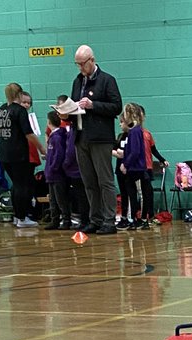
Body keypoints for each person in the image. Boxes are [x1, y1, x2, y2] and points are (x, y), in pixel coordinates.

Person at [70, 44, 122, 235]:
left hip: (100, 138)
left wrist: (94, 105)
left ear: (92, 60)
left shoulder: (107, 80)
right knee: (89, 181)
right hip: (80, 136)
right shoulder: (77, 82)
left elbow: (117, 106)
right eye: (77, 64)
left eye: (82, 64)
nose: (80, 68)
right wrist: (67, 112)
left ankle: (109, 220)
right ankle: (95, 219)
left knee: (105, 181)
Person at [0, 81, 38, 227]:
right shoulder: (19, 111)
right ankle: (22, 217)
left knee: (16, 185)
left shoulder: (1, 110)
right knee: (23, 185)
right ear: (19, 94)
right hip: (18, 153)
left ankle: (17, 216)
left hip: (3, 152)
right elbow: (29, 134)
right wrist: (42, 149)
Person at [116, 103, 148, 229]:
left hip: (136, 168)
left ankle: (137, 219)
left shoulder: (135, 131)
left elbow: (135, 151)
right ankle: (134, 218)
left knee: (135, 194)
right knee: (131, 194)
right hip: (134, 168)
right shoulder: (134, 131)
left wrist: (125, 164)